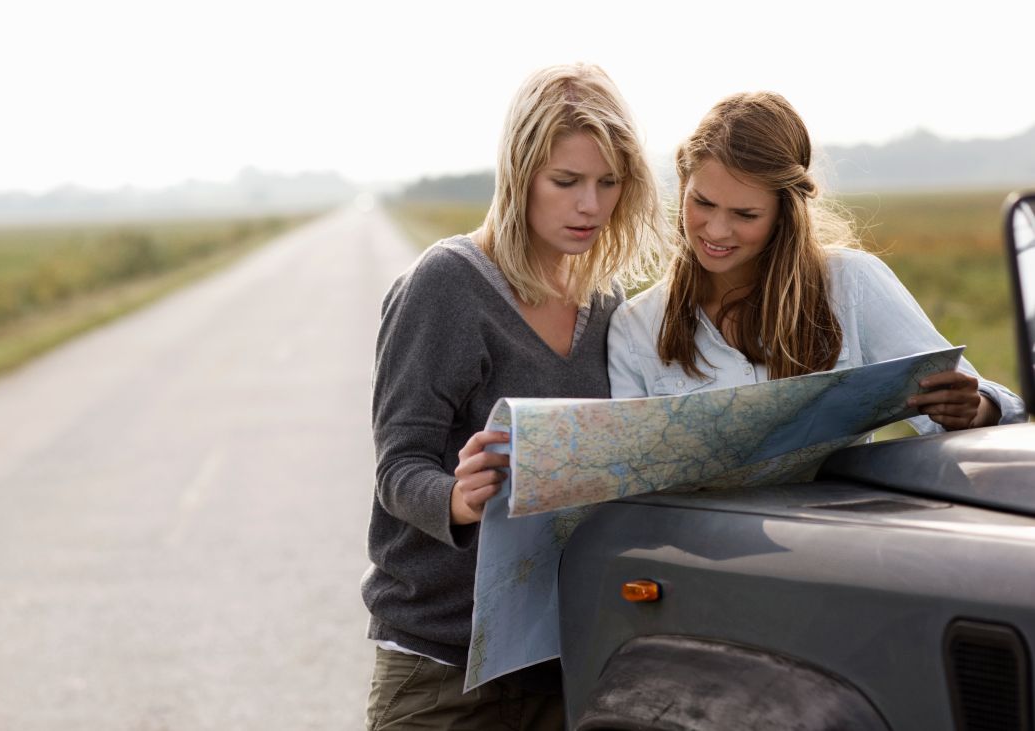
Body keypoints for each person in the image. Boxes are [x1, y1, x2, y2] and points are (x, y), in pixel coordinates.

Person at [362, 63, 666, 729]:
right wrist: (457, 496)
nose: (590, 205)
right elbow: (397, 468)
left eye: (608, 183)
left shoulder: (609, 305)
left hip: (564, 663)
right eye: (566, 181)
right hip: (440, 671)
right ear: (519, 172)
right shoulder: (446, 286)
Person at [607, 91, 1025, 429]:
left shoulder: (852, 285)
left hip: (833, 531)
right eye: (703, 202)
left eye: (745, 215)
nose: (715, 230)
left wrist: (974, 408)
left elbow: (988, 405)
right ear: (683, 183)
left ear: (785, 214)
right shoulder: (635, 329)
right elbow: (632, 484)